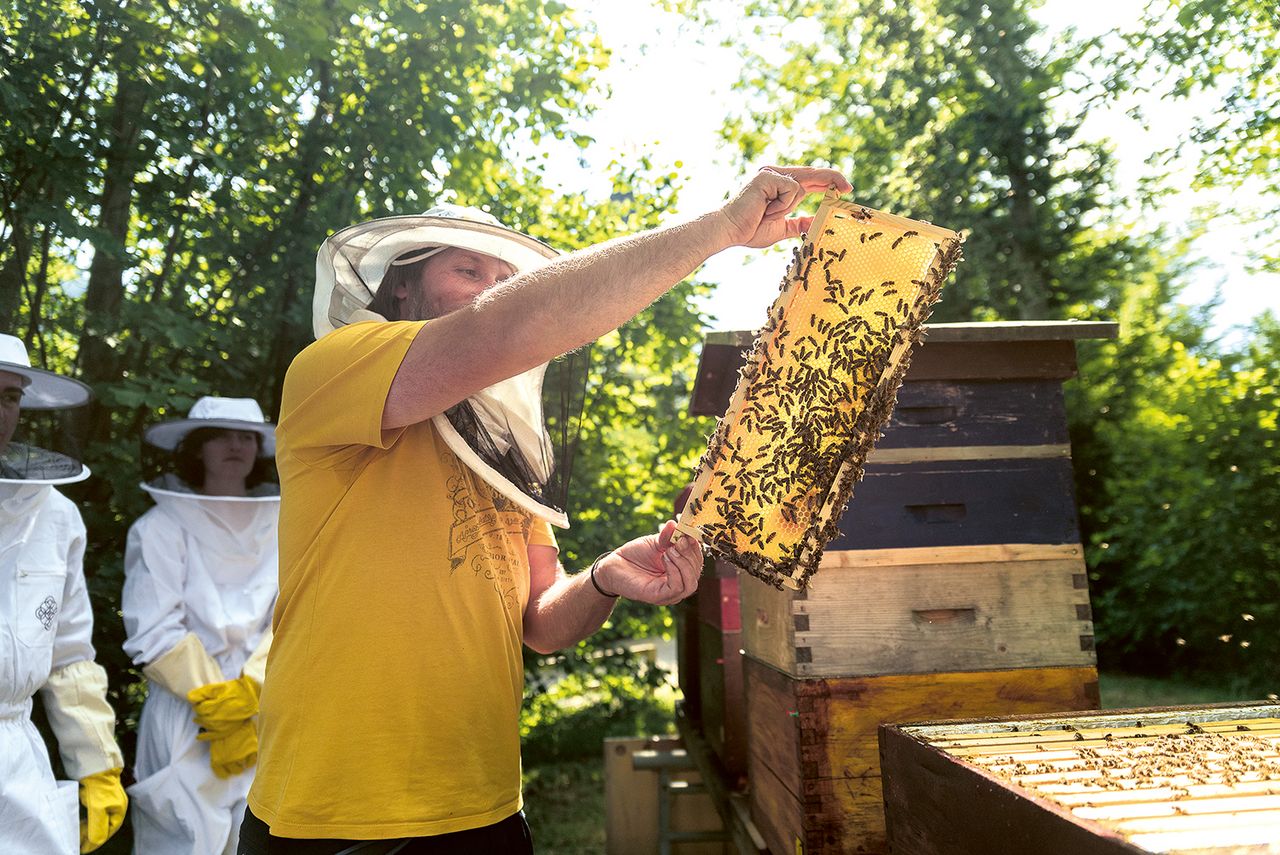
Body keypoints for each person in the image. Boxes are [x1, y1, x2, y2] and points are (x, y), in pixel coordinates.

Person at [241, 165, 852, 852]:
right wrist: (719, 230)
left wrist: (604, 578)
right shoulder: (335, 368)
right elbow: (510, 326)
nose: (490, 289)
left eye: (502, 277)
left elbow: (538, 622)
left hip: (483, 803)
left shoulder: (506, 444)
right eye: (466, 270)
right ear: (403, 283)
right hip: (335, 809)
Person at [121, 396, 280, 854]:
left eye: (246, 436)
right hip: (186, 715)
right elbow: (152, 628)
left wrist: (252, 689)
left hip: (263, 712)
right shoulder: (159, 527)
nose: (236, 445)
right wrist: (215, 700)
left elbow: (294, 612)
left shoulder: (283, 522)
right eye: (221, 436)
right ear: (197, 448)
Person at [0, 333, 128, 854]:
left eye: (10, 397)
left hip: (15, 759)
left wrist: (97, 763)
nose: (1, 411)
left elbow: (69, 652)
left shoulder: (56, 514)